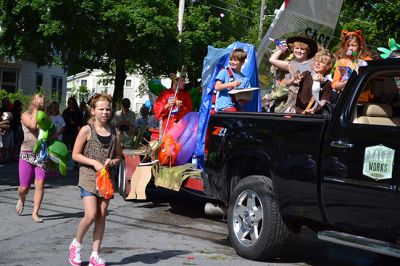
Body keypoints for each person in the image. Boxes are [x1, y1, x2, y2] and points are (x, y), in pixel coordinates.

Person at [69, 93, 121, 266]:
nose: (105, 112)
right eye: (101, 109)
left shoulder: (115, 132)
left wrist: (111, 161)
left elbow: (119, 156)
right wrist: (94, 162)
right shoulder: (86, 130)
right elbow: (75, 154)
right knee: (90, 215)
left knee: (101, 216)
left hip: (106, 179)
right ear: (93, 111)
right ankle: (76, 244)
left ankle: (95, 255)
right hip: (89, 177)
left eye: (108, 109)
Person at [16, 94, 48, 223]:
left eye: (42, 102)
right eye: (37, 101)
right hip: (27, 153)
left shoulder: (46, 117)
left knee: (40, 183)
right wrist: (35, 110)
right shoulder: (25, 115)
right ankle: (21, 198)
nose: (40, 103)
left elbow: (53, 133)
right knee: (24, 187)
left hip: (41, 154)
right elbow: (33, 126)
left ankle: (35, 213)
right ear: (32, 102)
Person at [269, 36, 318, 113]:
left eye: (302, 49)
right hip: (291, 102)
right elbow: (272, 60)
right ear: (293, 49)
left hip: (305, 102)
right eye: (297, 48)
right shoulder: (290, 64)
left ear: (308, 51)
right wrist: (282, 49)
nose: (299, 51)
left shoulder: (313, 64)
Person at [332, 30, 371, 102]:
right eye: (348, 45)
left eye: (353, 45)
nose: (350, 48)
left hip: (362, 101)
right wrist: (347, 82)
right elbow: (334, 85)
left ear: (360, 46)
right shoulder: (342, 62)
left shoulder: (367, 61)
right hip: (346, 100)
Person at [294, 50, 336, 114]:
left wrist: (313, 110)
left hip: (313, 116)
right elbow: (293, 89)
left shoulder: (327, 84)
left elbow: (323, 102)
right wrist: (294, 82)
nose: (317, 63)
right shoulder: (305, 74)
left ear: (328, 66)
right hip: (297, 113)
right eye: (316, 60)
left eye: (322, 62)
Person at [214, 48, 251, 112]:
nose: (232, 62)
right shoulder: (224, 72)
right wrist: (231, 84)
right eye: (231, 60)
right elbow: (217, 87)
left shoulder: (245, 79)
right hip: (224, 107)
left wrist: (243, 99)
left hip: (236, 107)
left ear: (242, 62)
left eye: (235, 60)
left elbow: (245, 102)